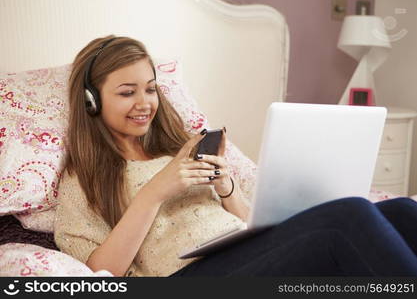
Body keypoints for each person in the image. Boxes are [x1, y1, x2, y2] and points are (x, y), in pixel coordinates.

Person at [54, 35, 417, 277]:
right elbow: (102, 273)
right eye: (126, 92)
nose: (144, 103)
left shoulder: (181, 147)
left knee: (402, 210)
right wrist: (154, 192)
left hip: (246, 252)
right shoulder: (82, 178)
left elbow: (249, 223)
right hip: (189, 277)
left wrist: (227, 189)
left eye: (150, 89)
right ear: (92, 101)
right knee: (347, 215)